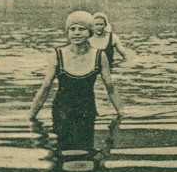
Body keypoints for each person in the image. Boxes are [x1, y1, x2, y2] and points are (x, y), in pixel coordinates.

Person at [29, 11, 125, 150]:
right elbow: (45, 88)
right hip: (62, 111)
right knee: (62, 150)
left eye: (82, 29)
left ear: (90, 32)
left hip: (87, 110)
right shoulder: (57, 55)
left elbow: (110, 87)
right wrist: (31, 117)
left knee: (86, 149)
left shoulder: (99, 55)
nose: (76, 33)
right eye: (72, 29)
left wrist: (121, 113)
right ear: (67, 32)